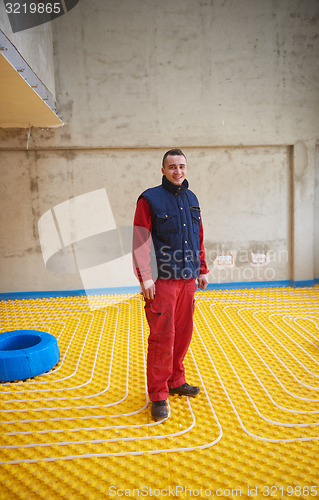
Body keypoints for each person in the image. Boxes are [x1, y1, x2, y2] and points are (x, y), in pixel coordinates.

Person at [133, 149, 209, 420]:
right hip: (162, 281)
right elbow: (141, 240)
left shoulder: (192, 199)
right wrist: (145, 277)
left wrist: (201, 270)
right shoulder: (149, 199)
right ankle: (158, 394)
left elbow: (197, 238)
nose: (178, 171)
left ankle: (176, 381)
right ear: (163, 170)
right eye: (172, 166)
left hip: (188, 280)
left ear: (186, 169)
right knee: (162, 338)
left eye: (182, 166)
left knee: (183, 334)